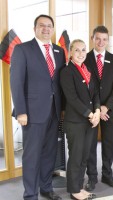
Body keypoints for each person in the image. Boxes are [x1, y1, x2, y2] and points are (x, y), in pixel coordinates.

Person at [10, 14, 65, 200]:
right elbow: (16, 82)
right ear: (35, 28)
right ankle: (31, 194)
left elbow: (60, 82)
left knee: (50, 152)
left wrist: (63, 108)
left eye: (49, 26)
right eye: (42, 25)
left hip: (54, 111)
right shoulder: (22, 49)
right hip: (32, 113)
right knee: (32, 156)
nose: (46, 29)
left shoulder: (59, 51)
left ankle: (46, 188)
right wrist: (21, 111)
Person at [60, 39, 100, 200]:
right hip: (75, 121)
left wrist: (97, 110)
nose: (81, 53)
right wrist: (91, 114)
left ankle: (79, 187)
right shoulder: (67, 71)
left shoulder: (87, 69)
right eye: (77, 50)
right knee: (76, 156)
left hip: (90, 120)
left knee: (84, 156)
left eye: (83, 50)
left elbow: (96, 93)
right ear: (70, 52)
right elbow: (72, 98)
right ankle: (74, 190)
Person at [84, 26, 113, 190]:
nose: (101, 42)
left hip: (110, 110)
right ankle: (92, 177)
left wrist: (106, 107)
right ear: (92, 38)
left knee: (108, 143)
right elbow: (84, 86)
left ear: (108, 40)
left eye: (104, 39)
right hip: (91, 111)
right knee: (90, 144)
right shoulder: (84, 59)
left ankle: (107, 175)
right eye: (98, 38)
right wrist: (96, 109)